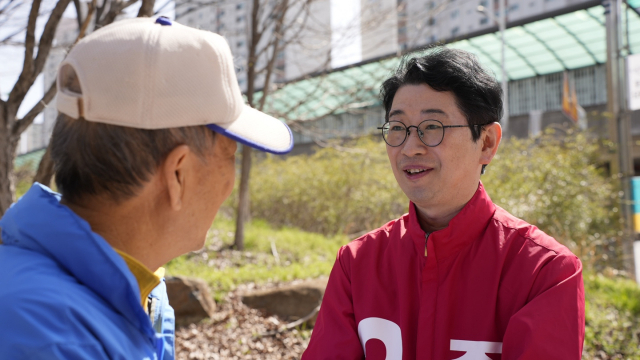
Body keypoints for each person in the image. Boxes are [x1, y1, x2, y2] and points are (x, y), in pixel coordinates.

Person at [0, 17, 293, 359]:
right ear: (178, 175)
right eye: (231, 155)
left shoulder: (128, 287)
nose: (232, 179)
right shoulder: (53, 340)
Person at [302, 47, 585, 360]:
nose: (411, 147)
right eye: (397, 128)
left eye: (432, 127)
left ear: (487, 142)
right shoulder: (357, 264)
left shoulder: (544, 271)